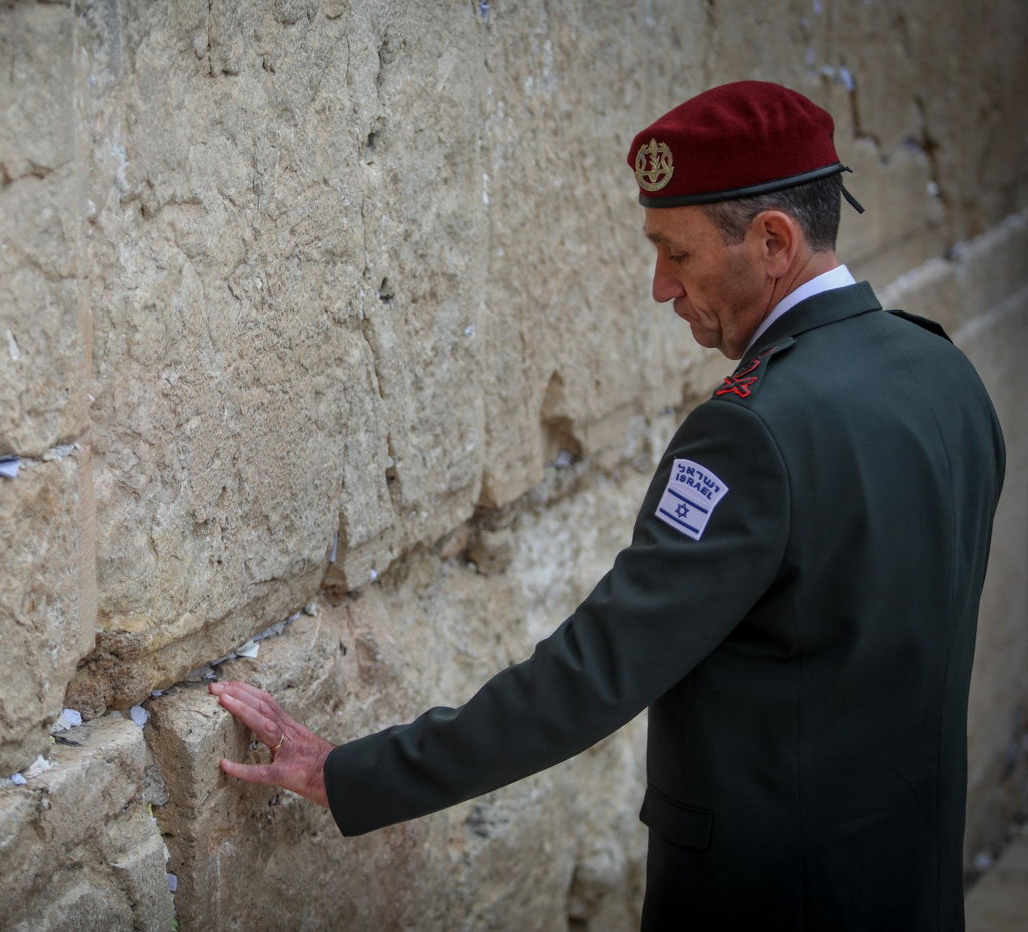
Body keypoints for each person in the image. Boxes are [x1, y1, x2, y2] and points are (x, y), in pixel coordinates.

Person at [210, 81, 1005, 930]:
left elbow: (590, 676)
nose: (662, 286)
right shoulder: (942, 373)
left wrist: (347, 773)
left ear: (773, 241)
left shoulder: (753, 433)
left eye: (679, 253)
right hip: (908, 885)